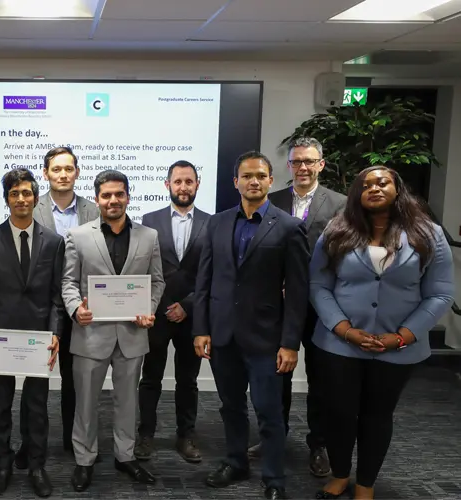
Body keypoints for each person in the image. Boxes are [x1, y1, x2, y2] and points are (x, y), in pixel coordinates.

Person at [309, 166, 454, 500]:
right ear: (357, 194)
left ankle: (365, 484)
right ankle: (341, 474)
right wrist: (345, 330)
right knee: (339, 413)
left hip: (398, 347)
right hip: (338, 344)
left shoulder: (428, 234)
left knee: (377, 415)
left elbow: (440, 294)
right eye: (366, 185)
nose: (374, 188)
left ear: (397, 189)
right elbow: (318, 285)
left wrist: (401, 336)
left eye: (382, 182)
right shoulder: (336, 230)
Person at [193, 151, 310, 500]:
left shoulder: (289, 227)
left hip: (266, 339)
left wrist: (290, 343)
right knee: (230, 406)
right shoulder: (217, 223)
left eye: (260, 175)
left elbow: (300, 291)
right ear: (236, 182)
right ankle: (235, 461)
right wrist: (201, 329)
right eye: (247, 176)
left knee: (269, 412)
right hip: (223, 334)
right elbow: (205, 281)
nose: (253, 181)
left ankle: (274, 479)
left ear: (271, 181)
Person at [62, 170, 165, 492]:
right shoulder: (78, 236)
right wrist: (76, 308)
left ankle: (125, 455)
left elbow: (157, 281)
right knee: (86, 403)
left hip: (132, 335)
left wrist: (149, 308)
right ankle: (84, 459)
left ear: (128, 197)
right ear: (97, 199)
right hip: (90, 334)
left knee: (127, 402)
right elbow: (68, 282)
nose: (113, 200)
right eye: (106, 195)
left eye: (119, 194)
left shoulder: (149, 236)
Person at [248, 137, 346, 477]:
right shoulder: (270, 201)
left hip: (320, 306)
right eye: (296, 162)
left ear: (321, 164)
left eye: (309, 161)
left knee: (321, 378)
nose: (302, 167)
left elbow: (344, 255)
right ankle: (274, 435)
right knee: (277, 375)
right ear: (288, 166)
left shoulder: (339, 204)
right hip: (278, 305)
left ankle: (318, 443)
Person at [0, 168, 65, 498]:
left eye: (27, 193)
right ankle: (3, 464)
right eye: (15, 194)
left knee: (37, 406)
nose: (21, 199)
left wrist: (55, 332)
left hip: (38, 339)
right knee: (0, 405)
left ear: (35, 197)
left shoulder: (54, 242)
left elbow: (56, 294)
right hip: (0, 338)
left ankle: (37, 465)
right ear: (6, 199)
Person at [135, 160, 209, 463]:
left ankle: (186, 435)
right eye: (177, 181)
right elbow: (143, 268)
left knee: (188, 380)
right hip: (157, 313)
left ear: (197, 185)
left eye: (188, 181)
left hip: (192, 314)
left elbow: (211, 273)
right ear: (167, 185)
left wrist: (187, 305)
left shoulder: (211, 222)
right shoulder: (148, 220)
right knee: (150, 378)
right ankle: (146, 435)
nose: (183, 187)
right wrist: (158, 305)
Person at [32, 146, 99, 452]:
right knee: (36, 377)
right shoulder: (32, 208)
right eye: (56, 169)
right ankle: (32, 442)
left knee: (75, 378)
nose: (62, 174)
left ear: (77, 172)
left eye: (68, 169)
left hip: (80, 307)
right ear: (45, 173)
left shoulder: (93, 211)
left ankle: (74, 440)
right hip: (40, 305)